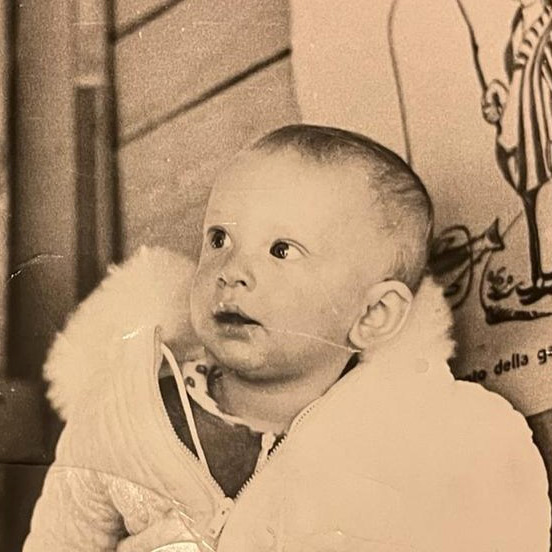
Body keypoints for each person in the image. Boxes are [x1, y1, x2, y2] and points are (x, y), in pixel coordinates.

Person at [24, 125, 550, 551]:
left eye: (281, 250)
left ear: (373, 314)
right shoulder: (119, 420)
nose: (232, 271)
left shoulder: (428, 440)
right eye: (219, 238)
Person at [481, 0, 552, 304]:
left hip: (544, 129)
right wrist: (501, 96)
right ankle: (542, 276)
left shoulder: (547, 24)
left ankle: (547, 275)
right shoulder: (520, 22)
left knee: (547, 199)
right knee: (534, 201)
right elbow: (520, 79)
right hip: (526, 130)